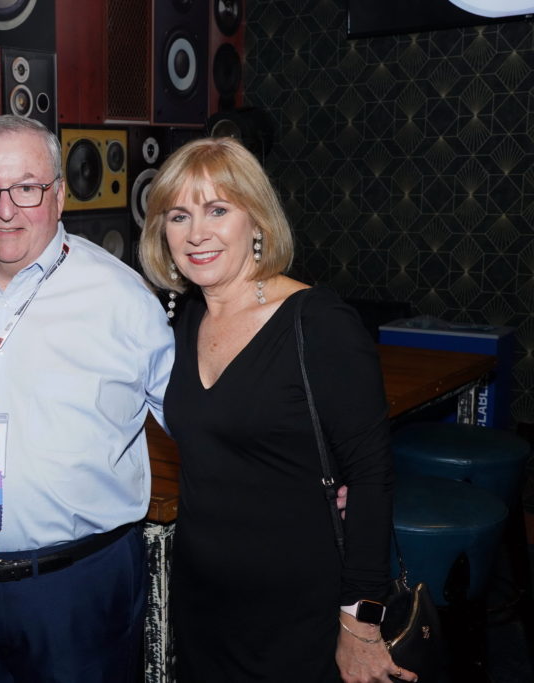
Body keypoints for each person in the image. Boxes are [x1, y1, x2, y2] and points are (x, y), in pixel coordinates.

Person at [139, 136, 417, 683]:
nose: (197, 234)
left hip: (302, 612)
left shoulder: (318, 322)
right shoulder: (188, 321)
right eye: (179, 215)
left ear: (257, 221)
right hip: (205, 605)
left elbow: (370, 477)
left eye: (218, 209)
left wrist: (360, 625)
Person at [0, 114, 174, 682]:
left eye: (26, 188)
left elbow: (198, 423)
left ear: (58, 196)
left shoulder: (120, 297)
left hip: (75, 591)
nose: (5, 209)